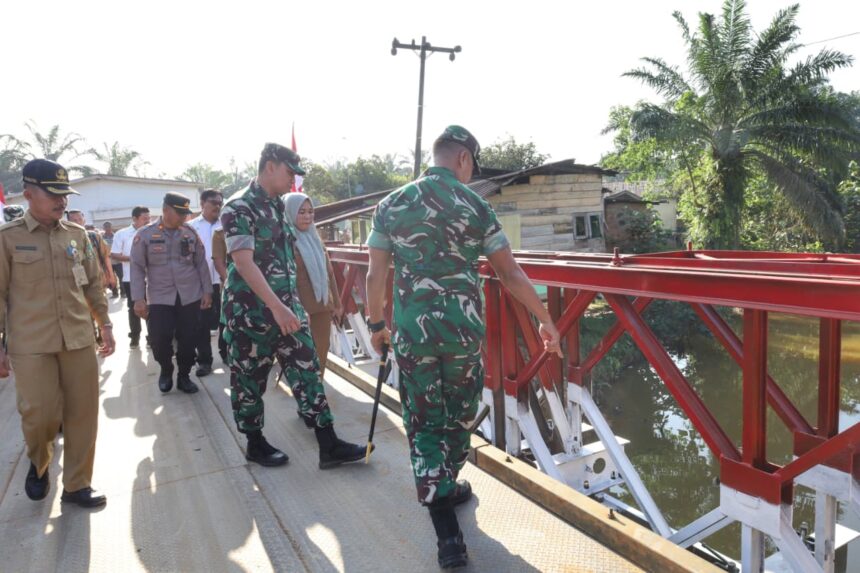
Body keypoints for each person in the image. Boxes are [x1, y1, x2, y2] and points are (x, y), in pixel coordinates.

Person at [365, 126, 562, 569]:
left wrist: (377, 324)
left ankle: (443, 501)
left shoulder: (391, 205)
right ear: (464, 161)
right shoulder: (476, 205)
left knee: (423, 420)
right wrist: (545, 319)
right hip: (462, 335)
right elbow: (510, 275)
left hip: (413, 335)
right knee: (457, 414)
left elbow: (375, 274)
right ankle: (447, 520)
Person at [220, 142, 366, 469]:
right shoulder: (238, 207)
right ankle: (255, 443)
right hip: (251, 313)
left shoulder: (277, 206)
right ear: (270, 165)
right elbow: (243, 263)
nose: (293, 181)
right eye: (290, 173)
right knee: (249, 380)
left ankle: (328, 444)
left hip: (288, 309)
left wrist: (291, 305)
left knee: (308, 368)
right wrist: (276, 307)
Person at [0, 158, 115, 508]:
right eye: (54, 194)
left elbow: (93, 286)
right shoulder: (8, 239)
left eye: (65, 194)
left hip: (78, 338)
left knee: (83, 413)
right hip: (31, 343)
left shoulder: (78, 236)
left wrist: (105, 324)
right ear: (28, 193)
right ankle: (39, 462)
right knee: (40, 414)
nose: (62, 201)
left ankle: (77, 484)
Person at [130, 192, 212, 394]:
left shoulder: (190, 232)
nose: (184, 217)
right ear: (166, 210)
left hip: (190, 295)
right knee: (158, 338)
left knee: (188, 339)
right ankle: (166, 369)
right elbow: (137, 268)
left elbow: (201, 263)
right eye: (179, 213)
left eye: (186, 213)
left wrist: (207, 291)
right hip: (160, 297)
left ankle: (184, 376)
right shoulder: (145, 234)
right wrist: (138, 298)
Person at [284, 193, 343, 377]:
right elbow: (283, 280)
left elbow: (329, 274)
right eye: (301, 212)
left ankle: (317, 398)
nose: (307, 216)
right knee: (301, 358)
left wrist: (338, 304)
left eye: (310, 212)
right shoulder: (284, 241)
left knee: (320, 354)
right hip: (297, 311)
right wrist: (296, 308)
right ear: (290, 212)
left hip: (321, 307)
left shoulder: (315, 239)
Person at [188, 189, 223, 376]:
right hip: (201, 284)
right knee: (201, 324)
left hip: (225, 282)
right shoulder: (190, 227)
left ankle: (227, 354)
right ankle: (204, 361)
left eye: (220, 202)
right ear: (202, 204)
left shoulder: (227, 225)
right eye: (213, 202)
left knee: (226, 321)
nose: (217, 206)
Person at [111, 206, 151, 348]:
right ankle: (135, 337)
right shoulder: (122, 234)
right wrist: (134, 258)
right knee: (133, 308)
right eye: (144, 218)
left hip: (151, 278)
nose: (148, 221)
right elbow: (114, 254)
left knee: (150, 308)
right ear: (134, 219)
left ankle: (151, 337)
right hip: (130, 278)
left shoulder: (153, 232)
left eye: (149, 218)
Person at [67, 209, 116, 294]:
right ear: (68, 222)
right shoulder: (65, 239)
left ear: (84, 220)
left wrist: (111, 276)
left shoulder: (94, 236)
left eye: (80, 219)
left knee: (100, 305)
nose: (78, 222)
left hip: (97, 280)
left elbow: (106, 257)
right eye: (74, 220)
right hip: (77, 282)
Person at [102, 221, 121, 298]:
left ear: (111, 227)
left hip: (118, 260)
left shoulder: (116, 236)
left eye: (109, 226)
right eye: (106, 227)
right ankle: (115, 293)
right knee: (111, 277)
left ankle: (123, 292)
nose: (107, 228)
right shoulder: (101, 237)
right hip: (108, 261)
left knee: (121, 276)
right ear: (104, 228)